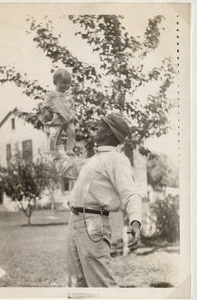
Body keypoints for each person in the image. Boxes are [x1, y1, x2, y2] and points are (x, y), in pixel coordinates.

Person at [53, 113, 142, 287]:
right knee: (76, 285)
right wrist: (55, 136)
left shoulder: (117, 160)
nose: (96, 128)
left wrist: (136, 222)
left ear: (109, 133)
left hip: (93, 224)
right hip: (74, 222)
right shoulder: (92, 161)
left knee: (101, 286)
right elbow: (64, 166)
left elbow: (130, 193)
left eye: (100, 126)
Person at [41, 69, 75, 156]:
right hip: (57, 119)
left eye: (68, 83)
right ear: (55, 82)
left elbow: (71, 107)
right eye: (63, 82)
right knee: (54, 133)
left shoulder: (68, 97)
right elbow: (45, 106)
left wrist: (72, 115)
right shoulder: (51, 95)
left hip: (67, 118)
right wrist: (47, 116)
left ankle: (70, 149)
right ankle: (53, 150)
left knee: (72, 131)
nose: (66, 85)